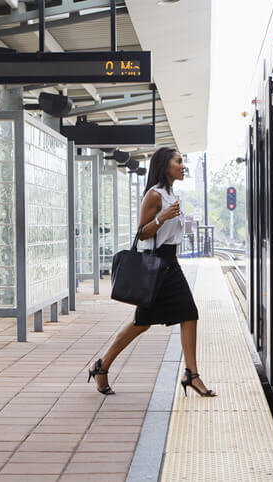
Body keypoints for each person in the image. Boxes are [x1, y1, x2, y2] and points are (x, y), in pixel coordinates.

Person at [87, 147, 216, 398]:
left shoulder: (170, 193)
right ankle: (102, 366)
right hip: (155, 265)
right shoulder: (155, 195)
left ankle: (191, 373)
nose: (182, 165)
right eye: (178, 161)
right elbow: (142, 233)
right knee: (142, 323)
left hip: (170, 263)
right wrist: (162, 218)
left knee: (188, 313)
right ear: (165, 165)